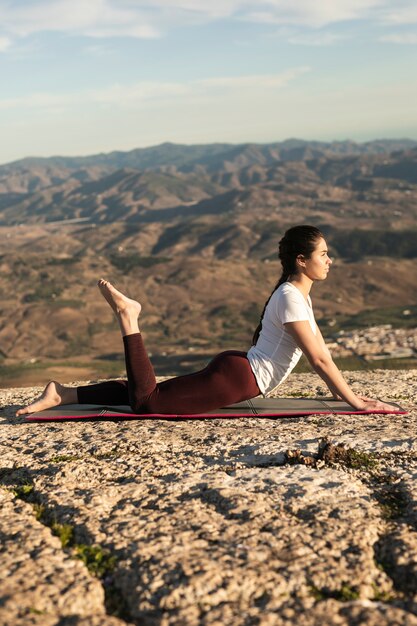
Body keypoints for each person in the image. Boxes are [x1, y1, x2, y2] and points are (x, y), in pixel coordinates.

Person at [16, 225, 395, 417]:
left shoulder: (295, 296)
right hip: (240, 377)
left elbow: (321, 353)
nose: (329, 261)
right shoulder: (291, 297)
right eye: (324, 254)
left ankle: (64, 394)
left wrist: (343, 396)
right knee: (148, 405)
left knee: (149, 393)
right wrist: (356, 404)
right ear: (301, 259)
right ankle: (129, 317)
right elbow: (320, 361)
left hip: (237, 370)